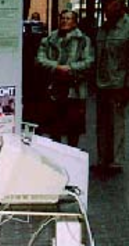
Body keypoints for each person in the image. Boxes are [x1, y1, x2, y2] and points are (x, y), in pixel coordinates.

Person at [36, 10, 94, 147]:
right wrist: (56, 67)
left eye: (69, 19)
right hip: (54, 89)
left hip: (75, 90)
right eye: (63, 18)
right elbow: (40, 58)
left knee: (73, 129)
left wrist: (71, 68)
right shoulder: (50, 39)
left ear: (75, 22)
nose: (65, 21)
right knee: (54, 127)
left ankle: (72, 157)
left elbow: (89, 61)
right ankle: (57, 157)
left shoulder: (83, 40)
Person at [95, 0, 129, 174]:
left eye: (111, 4)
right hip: (101, 83)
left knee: (117, 123)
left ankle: (115, 161)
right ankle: (103, 159)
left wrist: (126, 87)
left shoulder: (126, 27)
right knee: (102, 123)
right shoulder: (104, 28)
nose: (107, 8)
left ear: (120, 5)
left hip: (118, 84)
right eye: (105, 4)